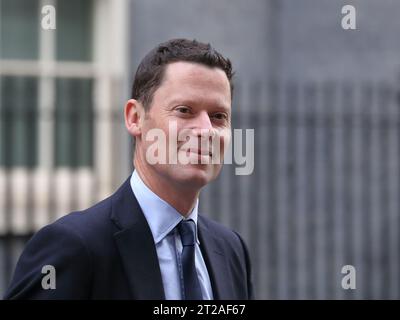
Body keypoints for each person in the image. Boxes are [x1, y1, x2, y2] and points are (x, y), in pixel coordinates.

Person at [4, 39, 254, 300]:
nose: (205, 131)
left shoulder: (231, 250)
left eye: (218, 116)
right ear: (135, 118)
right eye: (184, 110)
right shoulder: (74, 246)